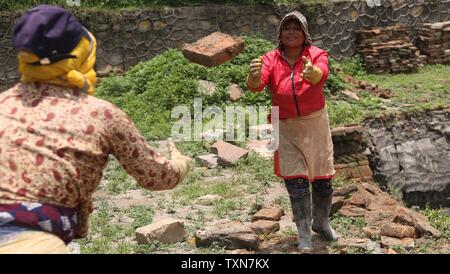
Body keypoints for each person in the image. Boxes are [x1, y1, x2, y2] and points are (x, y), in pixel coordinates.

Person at [0, 5, 191, 254]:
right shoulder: (100, 114)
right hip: (30, 244)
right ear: (81, 54)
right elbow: (154, 175)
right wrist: (181, 164)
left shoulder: (3, 104)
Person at [246, 11, 339, 253]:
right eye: (286, 27)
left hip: (315, 123)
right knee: (296, 182)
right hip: (285, 126)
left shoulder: (316, 54)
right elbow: (257, 86)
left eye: (296, 28)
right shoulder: (270, 59)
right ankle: (304, 233)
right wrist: (253, 77)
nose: (291, 32)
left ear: (304, 33)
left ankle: (322, 222)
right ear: (280, 33)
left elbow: (322, 73)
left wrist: (314, 74)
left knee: (323, 179)